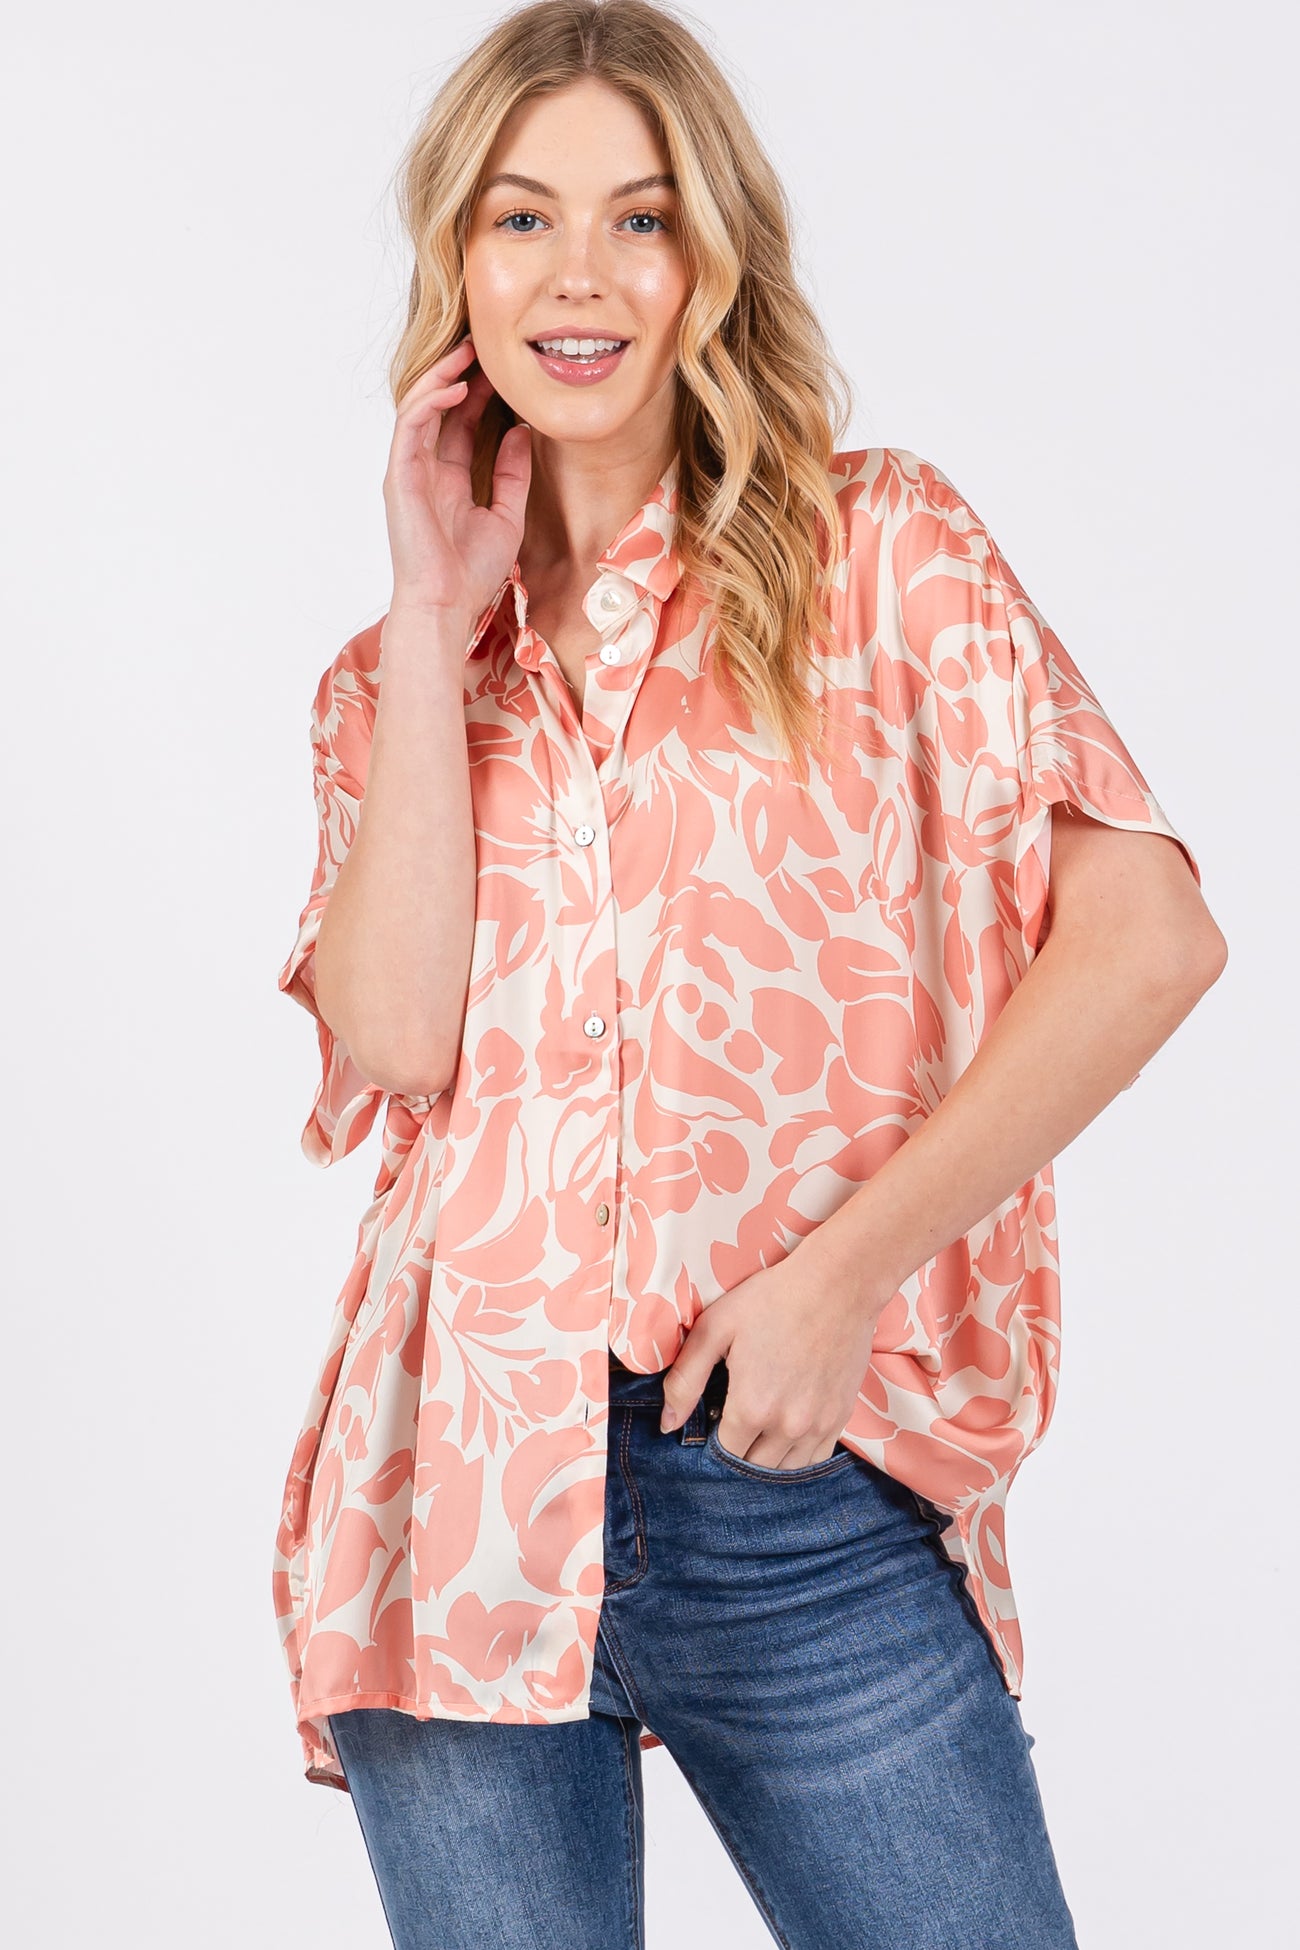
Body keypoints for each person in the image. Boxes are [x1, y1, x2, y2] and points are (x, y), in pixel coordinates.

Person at [269, 3, 1227, 1945]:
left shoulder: (878, 552)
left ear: (710, 258)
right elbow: (396, 1038)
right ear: (457, 261)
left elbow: (1147, 937)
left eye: (638, 219)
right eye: (521, 218)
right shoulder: (389, 679)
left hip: (786, 1486)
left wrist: (840, 1277)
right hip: (453, 1489)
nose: (578, 275)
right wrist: (434, 613)